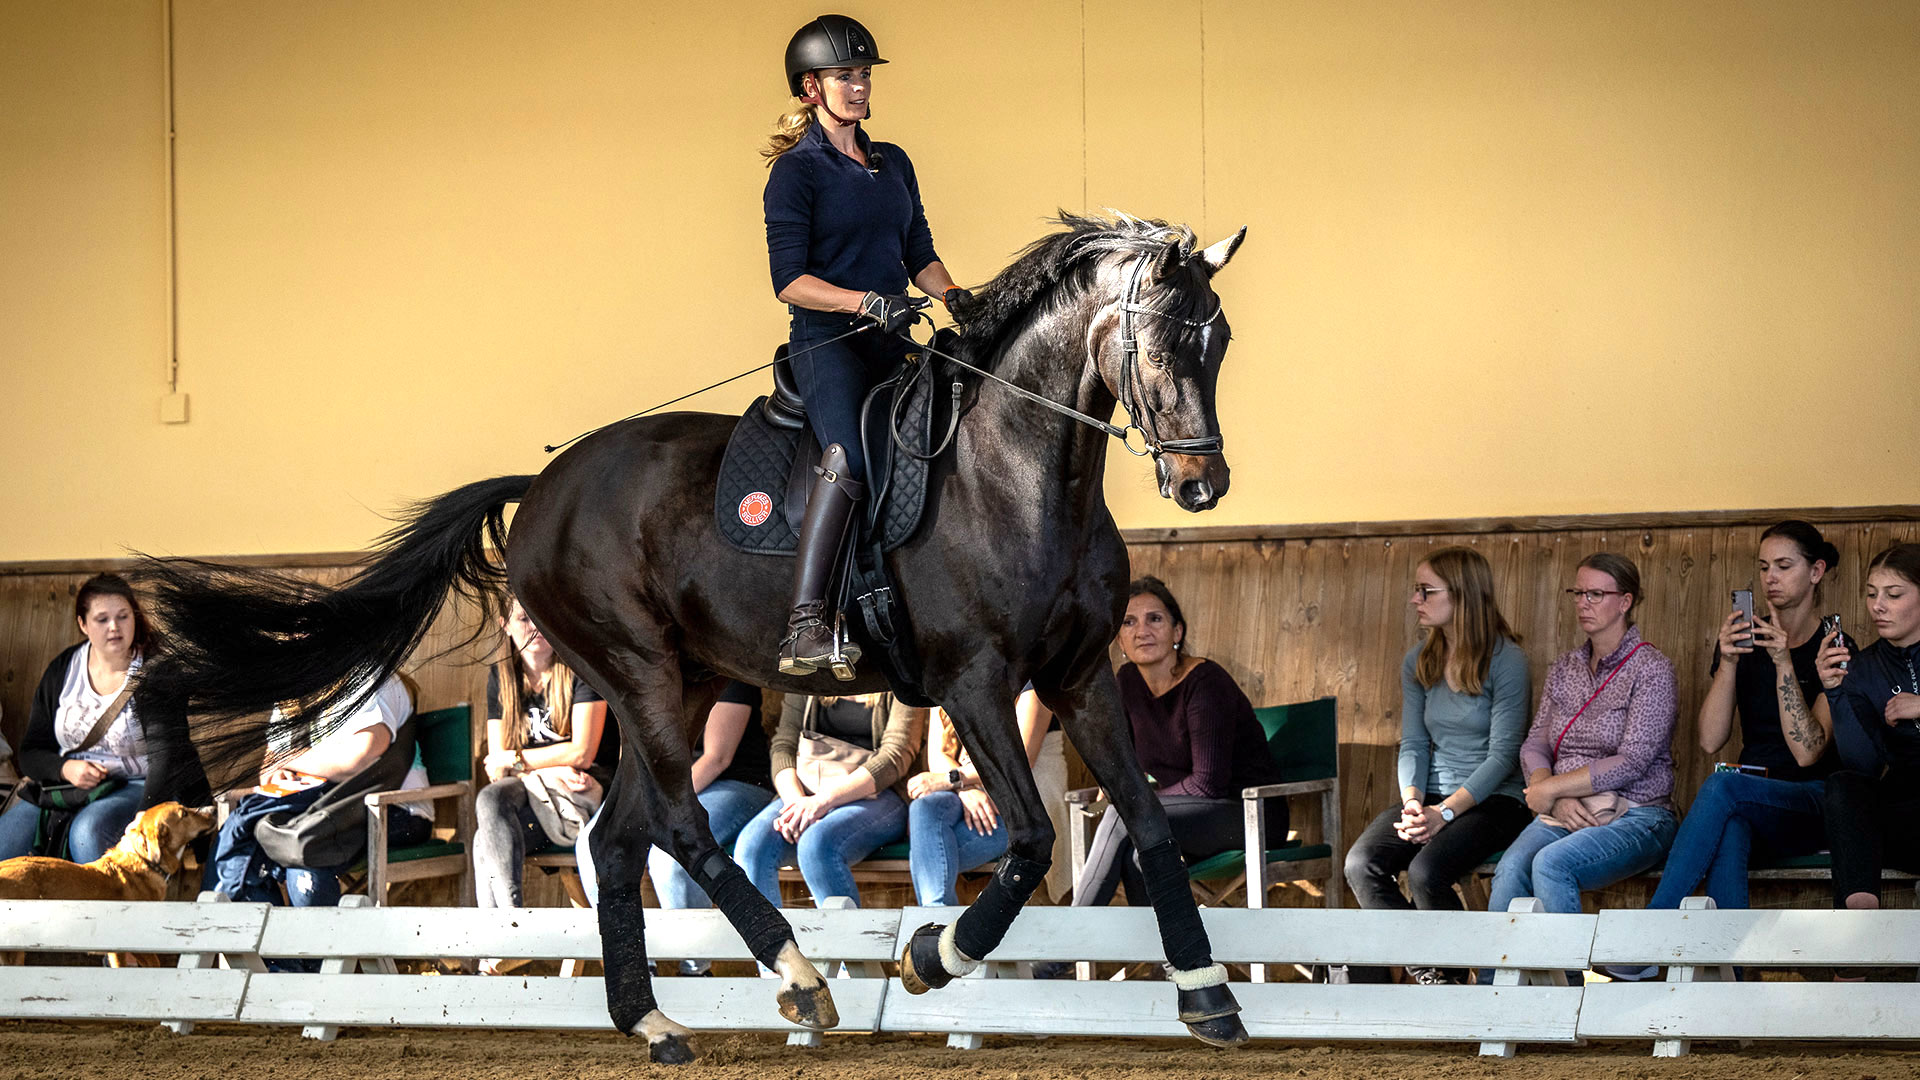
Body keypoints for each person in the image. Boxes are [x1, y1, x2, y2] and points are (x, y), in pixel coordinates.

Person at [763, 14, 967, 678]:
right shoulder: (796, 173)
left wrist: (955, 295)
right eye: (844, 77)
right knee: (846, 456)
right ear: (810, 89)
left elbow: (919, 254)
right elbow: (789, 281)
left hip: (892, 341)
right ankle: (806, 624)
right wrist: (864, 303)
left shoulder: (893, 162)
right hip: (829, 344)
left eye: (863, 75)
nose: (858, 87)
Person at [1342, 547, 1531, 986]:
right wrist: (1413, 803)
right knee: (1361, 863)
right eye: (1416, 590)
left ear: (1462, 595)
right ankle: (1431, 974)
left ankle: (1453, 976)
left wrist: (1443, 813)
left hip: (1495, 801)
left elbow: (1503, 755)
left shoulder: (1508, 661)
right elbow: (1413, 743)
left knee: (1427, 872)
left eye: (1426, 591)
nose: (1415, 599)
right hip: (1428, 796)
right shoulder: (1419, 660)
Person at [1638, 524, 1845, 915]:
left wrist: (1783, 662)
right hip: (1750, 796)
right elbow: (1709, 740)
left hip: (1812, 800)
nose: (1770, 578)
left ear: (1816, 571)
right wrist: (1729, 662)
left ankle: (1656, 920)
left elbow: (1808, 753)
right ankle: (1729, 954)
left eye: (1784, 566)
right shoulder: (1744, 643)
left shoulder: (1832, 647)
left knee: (1724, 787)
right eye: (1764, 567)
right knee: (1731, 824)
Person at [1487, 554, 1679, 939]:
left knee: (1551, 865)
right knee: (1509, 870)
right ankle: (1496, 976)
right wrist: (1550, 795)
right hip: (1564, 809)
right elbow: (1535, 743)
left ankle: (1571, 977)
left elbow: (1633, 761)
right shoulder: (1565, 667)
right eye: (1578, 593)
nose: (1582, 603)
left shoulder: (1652, 668)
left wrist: (1551, 789)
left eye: (1595, 594)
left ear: (1625, 602)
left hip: (1638, 814)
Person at [1070, 577, 1285, 909]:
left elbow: (1207, 785)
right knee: (1138, 855)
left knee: (1122, 817)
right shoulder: (1127, 683)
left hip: (1248, 814)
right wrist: (1110, 787)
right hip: (1184, 816)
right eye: (1129, 622)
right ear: (1120, 639)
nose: (1142, 631)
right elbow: (1123, 761)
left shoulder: (1205, 683)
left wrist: (1133, 803)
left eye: (1155, 619)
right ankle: (1159, 943)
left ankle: (1070, 932)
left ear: (1177, 632)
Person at [209, 672, 430, 910]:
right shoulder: (292, 692)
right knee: (253, 844)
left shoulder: (371, 678)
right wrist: (278, 773)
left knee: (306, 859)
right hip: (321, 809)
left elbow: (359, 760)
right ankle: (265, 933)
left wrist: (289, 760)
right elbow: (271, 765)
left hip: (391, 809)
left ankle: (322, 933)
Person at [472, 599, 615, 921]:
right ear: (505, 625)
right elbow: (497, 768)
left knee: (484, 842)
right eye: (524, 618)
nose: (535, 626)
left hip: (582, 792)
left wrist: (517, 760)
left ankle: (503, 932)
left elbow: (583, 753)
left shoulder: (581, 669)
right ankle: (510, 921)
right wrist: (552, 767)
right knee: (490, 799)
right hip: (535, 789)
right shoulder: (501, 676)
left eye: (542, 615)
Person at [0, 575, 157, 863]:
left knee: (87, 832)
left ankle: (106, 896)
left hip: (138, 784)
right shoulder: (64, 668)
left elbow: (170, 756)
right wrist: (65, 768)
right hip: (68, 786)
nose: (114, 627)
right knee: (5, 840)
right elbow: (31, 752)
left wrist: (150, 810)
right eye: (102, 619)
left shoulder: (154, 670)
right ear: (83, 624)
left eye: (123, 616)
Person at [733, 692, 926, 908]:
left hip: (878, 793)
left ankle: (841, 930)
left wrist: (821, 802)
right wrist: (796, 803)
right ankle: (767, 929)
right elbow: (783, 745)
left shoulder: (898, 684)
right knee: (752, 847)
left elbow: (896, 754)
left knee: (817, 845)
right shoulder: (809, 676)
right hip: (806, 791)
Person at [644, 680, 775, 974]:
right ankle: (634, 965)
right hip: (670, 789)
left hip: (737, 783)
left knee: (672, 853)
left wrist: (660, 804)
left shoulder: (726, 675)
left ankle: (695, 969)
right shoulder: (651, 672)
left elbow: (717, 758)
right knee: (596, 843)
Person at [1817, 542, 1920, 911]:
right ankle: (1859, 923)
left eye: (1893, 594)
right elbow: (1863, 764)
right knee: (1844, 784)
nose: (1878, 605)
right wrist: (1835, 692)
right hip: (1906, 817)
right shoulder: (1864, 667)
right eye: (1872, 593)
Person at [904, 688, 1068, 906]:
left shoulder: (1031, 681)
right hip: (973, 799)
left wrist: (953, 779)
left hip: (1021, 807)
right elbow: (937, 757)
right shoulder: (940, 678)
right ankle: (937, 912)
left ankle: (935, 916)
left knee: (928, 855)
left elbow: (1020, 759)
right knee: (924, 807)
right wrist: (965, 788)